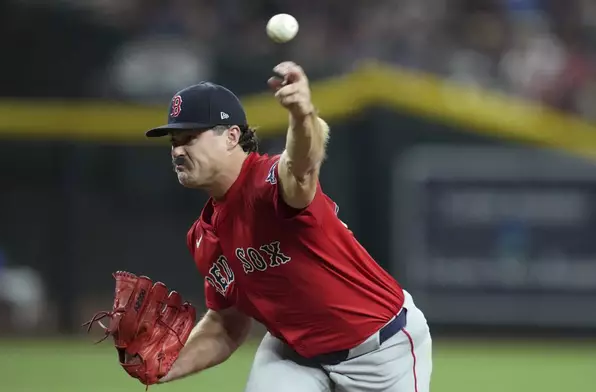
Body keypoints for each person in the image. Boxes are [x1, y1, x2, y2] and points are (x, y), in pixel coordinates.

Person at [144, 62, 433, 392]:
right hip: (294, 355)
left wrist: (302, 115)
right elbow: (226, 324)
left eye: (190, 137)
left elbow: (300, 168)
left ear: (232, 137)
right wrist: (164, 364)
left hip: (381, 352)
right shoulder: (202, 236)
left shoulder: (267, 184)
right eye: (173, 141)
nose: (178, 150)